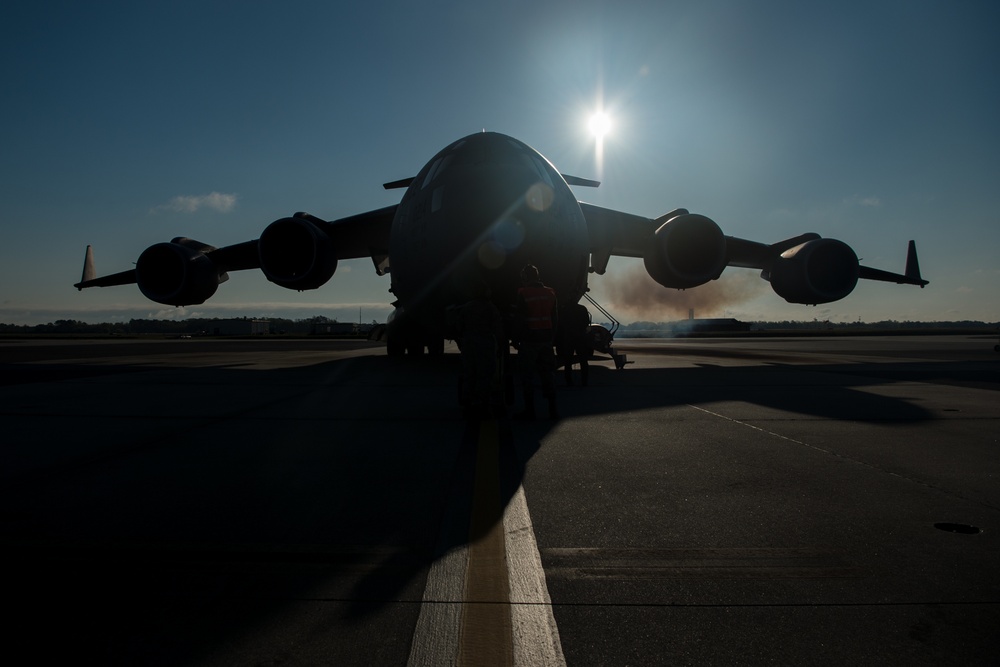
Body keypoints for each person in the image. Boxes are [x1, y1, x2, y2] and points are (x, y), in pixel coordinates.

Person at [512, 264, 558, 419]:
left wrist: (516, 338)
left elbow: (520, 318)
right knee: (548, 374)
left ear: (525, 277)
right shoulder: (550, 292)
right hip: (545, 339)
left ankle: (530, 410)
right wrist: (552, 337)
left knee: (527, 375)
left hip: (530, 339)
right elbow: (555, 318)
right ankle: (552, 409)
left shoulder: (523, 293)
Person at [454, 279, 504, 418]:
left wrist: (461, 341)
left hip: (469, 343)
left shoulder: (466, 307)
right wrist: (500, 345)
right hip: (485, 343)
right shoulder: (490, 307)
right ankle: (484, 404)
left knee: (470, 374)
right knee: (485, 374)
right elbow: (498, 328)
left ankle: (467, 405)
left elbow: (458, 327)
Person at [557, 302, 591, 387]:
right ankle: (584, 381)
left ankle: (568, 380)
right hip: (580, 337)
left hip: (569, 337)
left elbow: (560, 322)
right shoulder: (582, 308)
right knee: (583, 360)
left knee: (568, 360)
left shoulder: (564, 309)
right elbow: (586, 321)